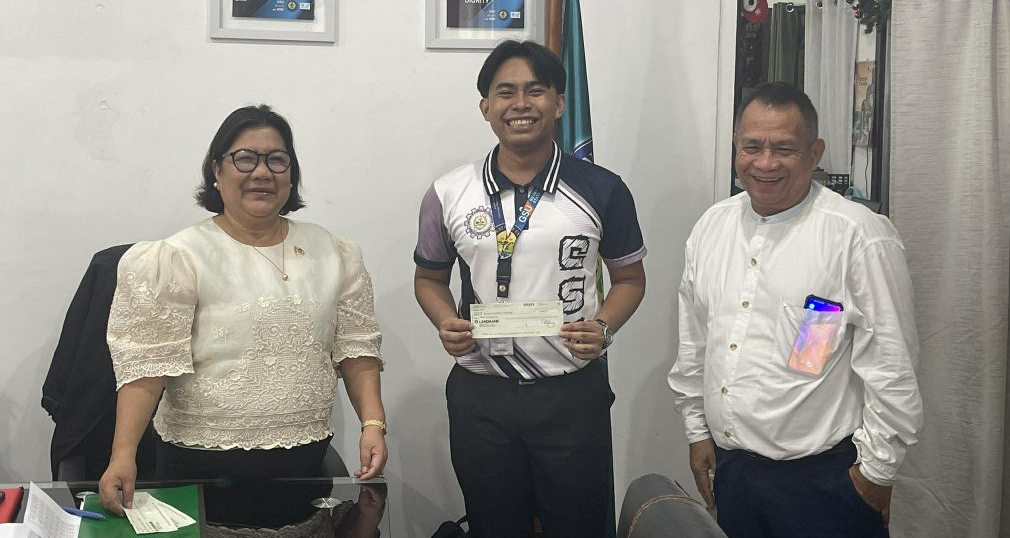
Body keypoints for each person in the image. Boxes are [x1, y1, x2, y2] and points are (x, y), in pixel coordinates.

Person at [99, 105, 386, 514]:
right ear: (217, 171)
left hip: (304, 466)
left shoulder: (333, 252)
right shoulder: (179, 256)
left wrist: (372, 424)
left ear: (291, 173)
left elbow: (357, 347)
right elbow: (147, 367)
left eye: (277, 160)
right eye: (245, 158)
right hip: (200, 469)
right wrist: (123, 454)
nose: (262, 172)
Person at [413, 40, 647, 538]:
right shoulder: (448, 193)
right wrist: (445, 321)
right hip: (481, 394)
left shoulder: (603, 189)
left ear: (559, 103)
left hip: (570, 394)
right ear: (486, 107)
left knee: (578, 526)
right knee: (493, 526)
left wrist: (604, 327)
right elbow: (429, 278)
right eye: (506, 92)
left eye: (535, 91)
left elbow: (629, 279)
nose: (520, 104)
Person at [668, 82, 923, 538]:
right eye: (752, 146)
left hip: (825, 482)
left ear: (814, 153)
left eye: (783, 149)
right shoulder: (712, 226)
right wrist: (697, 430)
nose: (765, 163)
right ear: (735, 146)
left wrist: (876, 473)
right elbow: (695, 343)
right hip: (734, 471)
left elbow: (893, 366)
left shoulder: (858, 236)